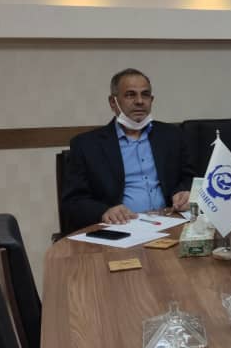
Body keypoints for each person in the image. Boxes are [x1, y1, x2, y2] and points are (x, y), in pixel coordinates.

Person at [61, 68, 195, 231]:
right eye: (130, 95)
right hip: (121, 228)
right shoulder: (86, 145)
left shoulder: (172, 136)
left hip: (169, 223)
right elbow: (73, 202)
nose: (139, 101)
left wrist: (184, 192)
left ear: (151, 100)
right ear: (113, 102)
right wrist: (104, 211)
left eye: (145, 95)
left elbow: (189, 178)